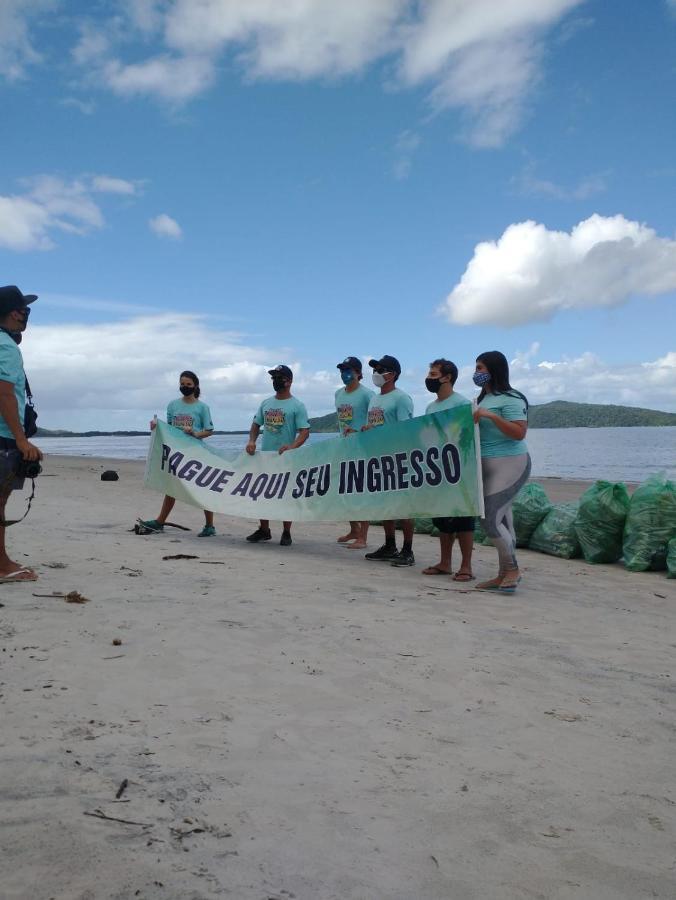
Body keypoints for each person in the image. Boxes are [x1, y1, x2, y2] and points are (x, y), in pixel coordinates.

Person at [472, 351, 531, 593]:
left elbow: (519, 432)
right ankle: (502, 575)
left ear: (494, 370)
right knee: (503, 519)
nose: (476, 373)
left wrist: (491, 416)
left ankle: (513, 570)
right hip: (487, 465)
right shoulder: (482, 399)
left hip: (511, 463)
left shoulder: (512, 398)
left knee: (490, 519)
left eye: (480, 368)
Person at [0, 285, 43, 584]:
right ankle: (2, 566)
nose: (26, 315)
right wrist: (20, 438)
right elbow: (4, 394)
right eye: (24, 310)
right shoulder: (6, 346)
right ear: (15, 313)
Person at [139, 371, 217, 536]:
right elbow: (168, 429)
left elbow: (209, 430)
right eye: (182, 384)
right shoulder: (172, 405)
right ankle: (160, 521)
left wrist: (195, 433)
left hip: (195, 453)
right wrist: (155, 426)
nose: (185, 387)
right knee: (171, 487)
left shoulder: (202, 407)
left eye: (188, 384)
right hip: (176, 453)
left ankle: (210, 526)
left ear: (195, 385)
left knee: (202, 489)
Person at [421, 359, 475, 581]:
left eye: (433, 374)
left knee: (463, 519)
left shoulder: (461, 404)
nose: (429, 378)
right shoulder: (431, 407)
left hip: (460, 469)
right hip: (438, 469)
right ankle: (445, 563)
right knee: (442, 519)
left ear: (447, 377)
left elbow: (466, 437)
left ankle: (466, 566)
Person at [245, 365, 310, 546]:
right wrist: (252, 442)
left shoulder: (297, 405)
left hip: (286, 459)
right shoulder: (265, 403)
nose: (275, 381)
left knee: (286, 496)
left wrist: (292, 446)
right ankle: (264, 529)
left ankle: (286, 532)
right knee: (261, 494)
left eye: (279, 377)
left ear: (289, 381)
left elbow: (304, 431)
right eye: (273, 377)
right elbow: (256, 425)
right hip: (265, 457)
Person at [362, 355, 415, 567]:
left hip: (398, 458)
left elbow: (407, 430)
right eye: (375, 369)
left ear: (392, 374)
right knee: (386, 505)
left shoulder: (401, 398)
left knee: (404, 506)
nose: (375, 373)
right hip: (378, 458)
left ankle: (408, 549)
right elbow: (373, 427)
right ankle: (390, 545)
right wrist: (362, 431)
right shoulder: (374, 399)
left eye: (380, 369)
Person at [334, 356, 374, 550]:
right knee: (345, 492)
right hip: (344, 449)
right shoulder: (338, 394)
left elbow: (373, 422)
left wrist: (360, 432)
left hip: (363, 450)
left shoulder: (368, 395)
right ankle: (353, 529)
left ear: (359, 373)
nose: (344, 374)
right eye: (342, 370)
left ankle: (363, 537)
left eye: (348, 370)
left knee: (362, 493)